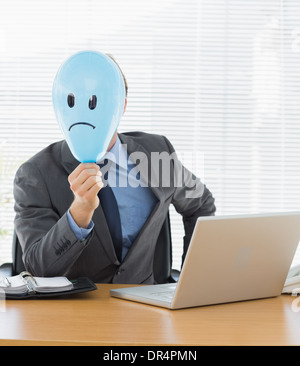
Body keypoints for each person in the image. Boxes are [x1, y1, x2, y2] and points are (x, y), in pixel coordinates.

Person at [13, 55, 216, 284]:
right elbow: (39, 268)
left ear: (121, 106)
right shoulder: (34, 175)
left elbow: (201, 204)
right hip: (77, 311)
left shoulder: (156, 155)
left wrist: (192, 278)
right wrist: (79, 213)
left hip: (147, 306)